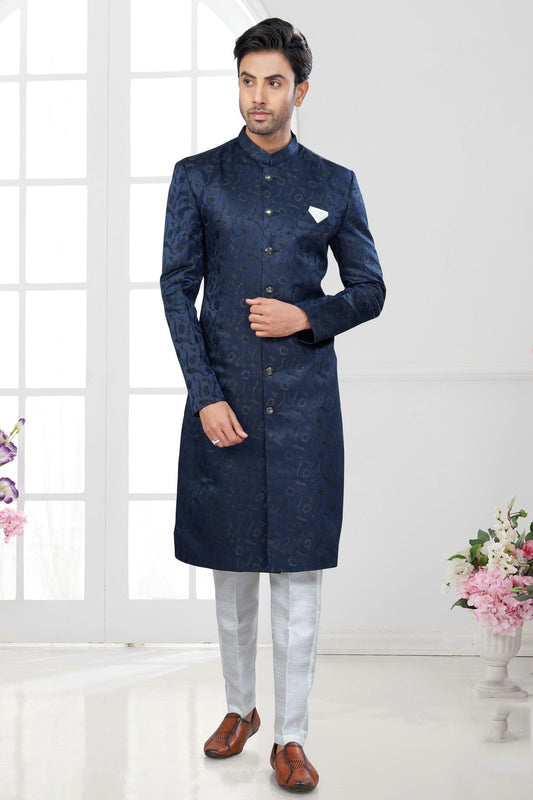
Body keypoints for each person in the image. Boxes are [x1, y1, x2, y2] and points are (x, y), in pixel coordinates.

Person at [160, 17, 385, 792]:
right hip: (223, 403)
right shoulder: (196, 177)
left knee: (297, 580)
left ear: (300, 91)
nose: (258, 96)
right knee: (230, 577)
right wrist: (204, 395)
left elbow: (369, 289)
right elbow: (175, 288)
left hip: (302, 413)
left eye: (274, 82)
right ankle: (239, 709)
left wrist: (306, 316)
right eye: (247, 80)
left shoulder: (333, 184)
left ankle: (291, 736)